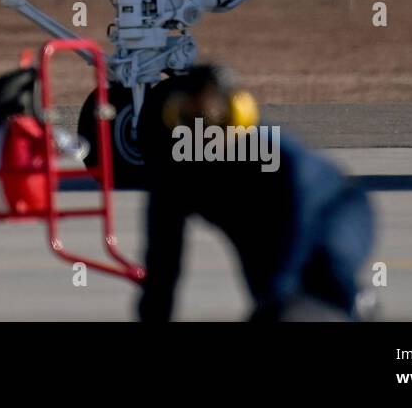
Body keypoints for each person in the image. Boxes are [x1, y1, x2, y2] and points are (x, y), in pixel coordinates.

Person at [137, 65, 375, 322]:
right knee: (269, 295)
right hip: (259, 228)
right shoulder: (177, 173)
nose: (206, 126)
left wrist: (279, 294)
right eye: (193, 114)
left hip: (335, 210)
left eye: (215, 113)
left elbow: (299, 221)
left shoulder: (278, 157)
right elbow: (163, 255)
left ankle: (357, 306)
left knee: (325, 274)